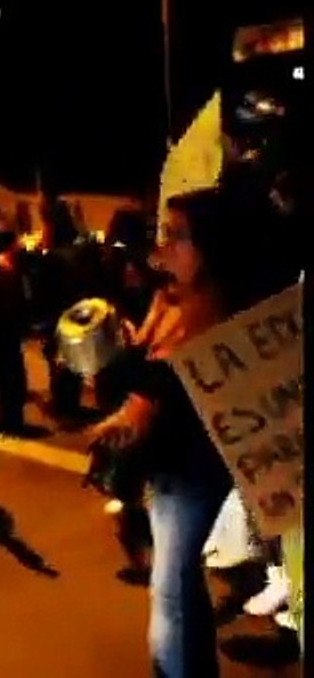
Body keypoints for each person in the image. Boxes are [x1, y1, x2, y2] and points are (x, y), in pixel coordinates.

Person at [86, 185, 295, 678]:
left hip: (190, 462)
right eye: (162, 235)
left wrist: (133, 412)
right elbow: (147, 374)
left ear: (214, 246)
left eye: (177, 237)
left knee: (171, 584)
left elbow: (167, 384)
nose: (161, 250)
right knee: (175, 579)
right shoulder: (176, 299)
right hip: (176, 461)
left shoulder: (220, 314)